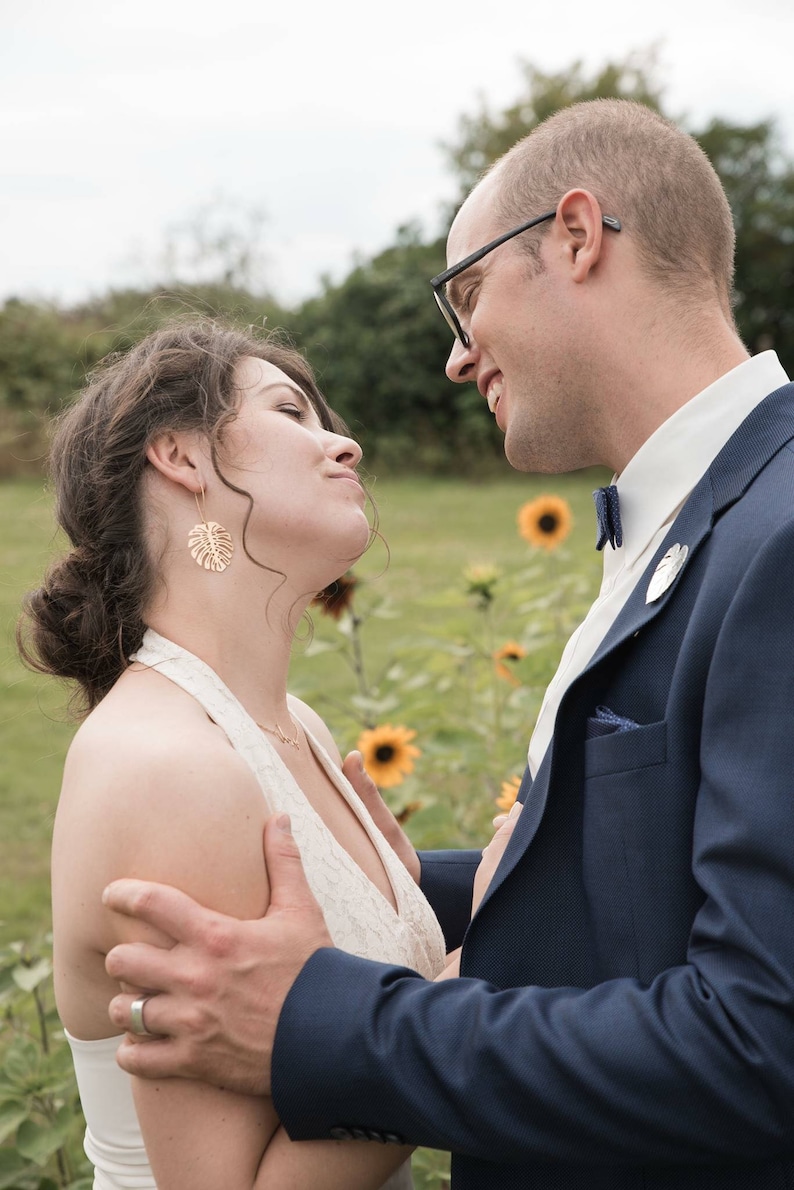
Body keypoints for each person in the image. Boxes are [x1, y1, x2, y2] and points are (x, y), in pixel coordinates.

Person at [101, 98, 794, 1189]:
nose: (456, 360)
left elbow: (761, 1043)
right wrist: (387, 890)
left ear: (575, 237)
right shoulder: (708, 516)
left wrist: (331, 1018)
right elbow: (652, 889)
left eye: (464, 296)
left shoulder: (780, 530)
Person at [19, 318, 516, 1189]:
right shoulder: (169, 768)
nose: (345, 443)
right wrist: (479, 969)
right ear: (181, 457)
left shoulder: (298, 724)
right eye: (293, 412)